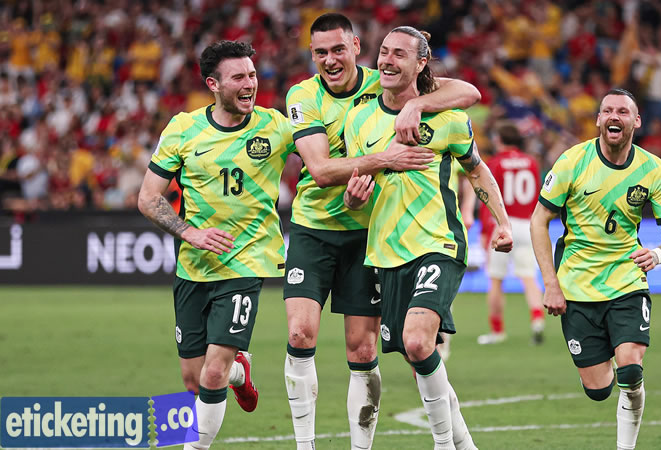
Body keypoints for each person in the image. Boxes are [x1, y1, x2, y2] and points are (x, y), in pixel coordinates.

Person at [282, 13, 481, 450]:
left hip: (368, 234)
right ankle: (304, 445)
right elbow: (320, 170)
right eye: (320, 52)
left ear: (356, 47)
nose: (330, 60)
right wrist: (384, 160)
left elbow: (467, 92)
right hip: (314, 227)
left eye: (338, 49)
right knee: (299, 333)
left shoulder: (385, 80)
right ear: (311, 54)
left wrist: (417, 105)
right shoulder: (302, 95)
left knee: (368, 351)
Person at [343, 26, 512, 450]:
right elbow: (358, 194)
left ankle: (443, 444)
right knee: (418, 356)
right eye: (384, 51)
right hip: (387, 253)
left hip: (439, 244)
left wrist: (503, 222)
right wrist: (352, 198)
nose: (387, 60)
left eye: (399, 54)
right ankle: (465, 444)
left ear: (421, 64)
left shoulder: (449, 118)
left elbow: (476, 169)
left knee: (418, 342)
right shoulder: (358, 120)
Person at [138, 40, 295, 449]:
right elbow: (148, 198)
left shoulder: (276, 127)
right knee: (195, 379)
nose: (250, 84)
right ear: (214, 84)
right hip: (194, 266)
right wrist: (190, 233)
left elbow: (321, 158)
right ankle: (239, 372)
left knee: (211, 374)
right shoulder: (183, 129)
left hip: (247, 261)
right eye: (238, 77)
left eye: (252, 75)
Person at [530, 88, 661, 450]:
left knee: (630, 369)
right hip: (576, 286)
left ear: (636, 121)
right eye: (608, 111)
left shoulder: (653, 169)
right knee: (598, 389)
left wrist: (658, 255)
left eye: (623, 111)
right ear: (599, 119)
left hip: (626, 280)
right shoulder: (572, 162)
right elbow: (539, 221)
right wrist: (550, 284)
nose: (615, 116)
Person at [477, 121, 546, 345]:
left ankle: (497, 331)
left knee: (496, 280)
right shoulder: (532, 162)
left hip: (502, 225)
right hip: (526, 225)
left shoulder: (495, 163)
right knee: (528, 277)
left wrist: (485, 231)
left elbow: (488, 197)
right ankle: (537, 319)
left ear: (500, 140)